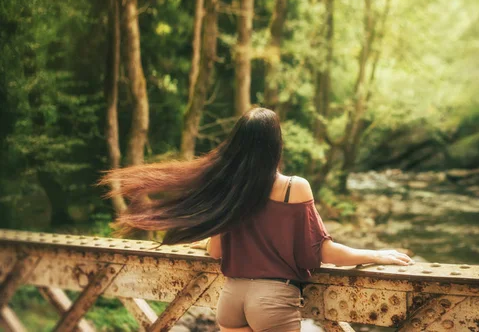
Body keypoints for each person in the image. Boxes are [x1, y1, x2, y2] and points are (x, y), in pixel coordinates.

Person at [98, 107, 413, 332]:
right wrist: (375, 254)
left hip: (233, 297)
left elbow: (216, 253)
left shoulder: (229, 191)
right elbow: (321, 252)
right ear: (276, 145)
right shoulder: (293, 188)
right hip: (273, 300)